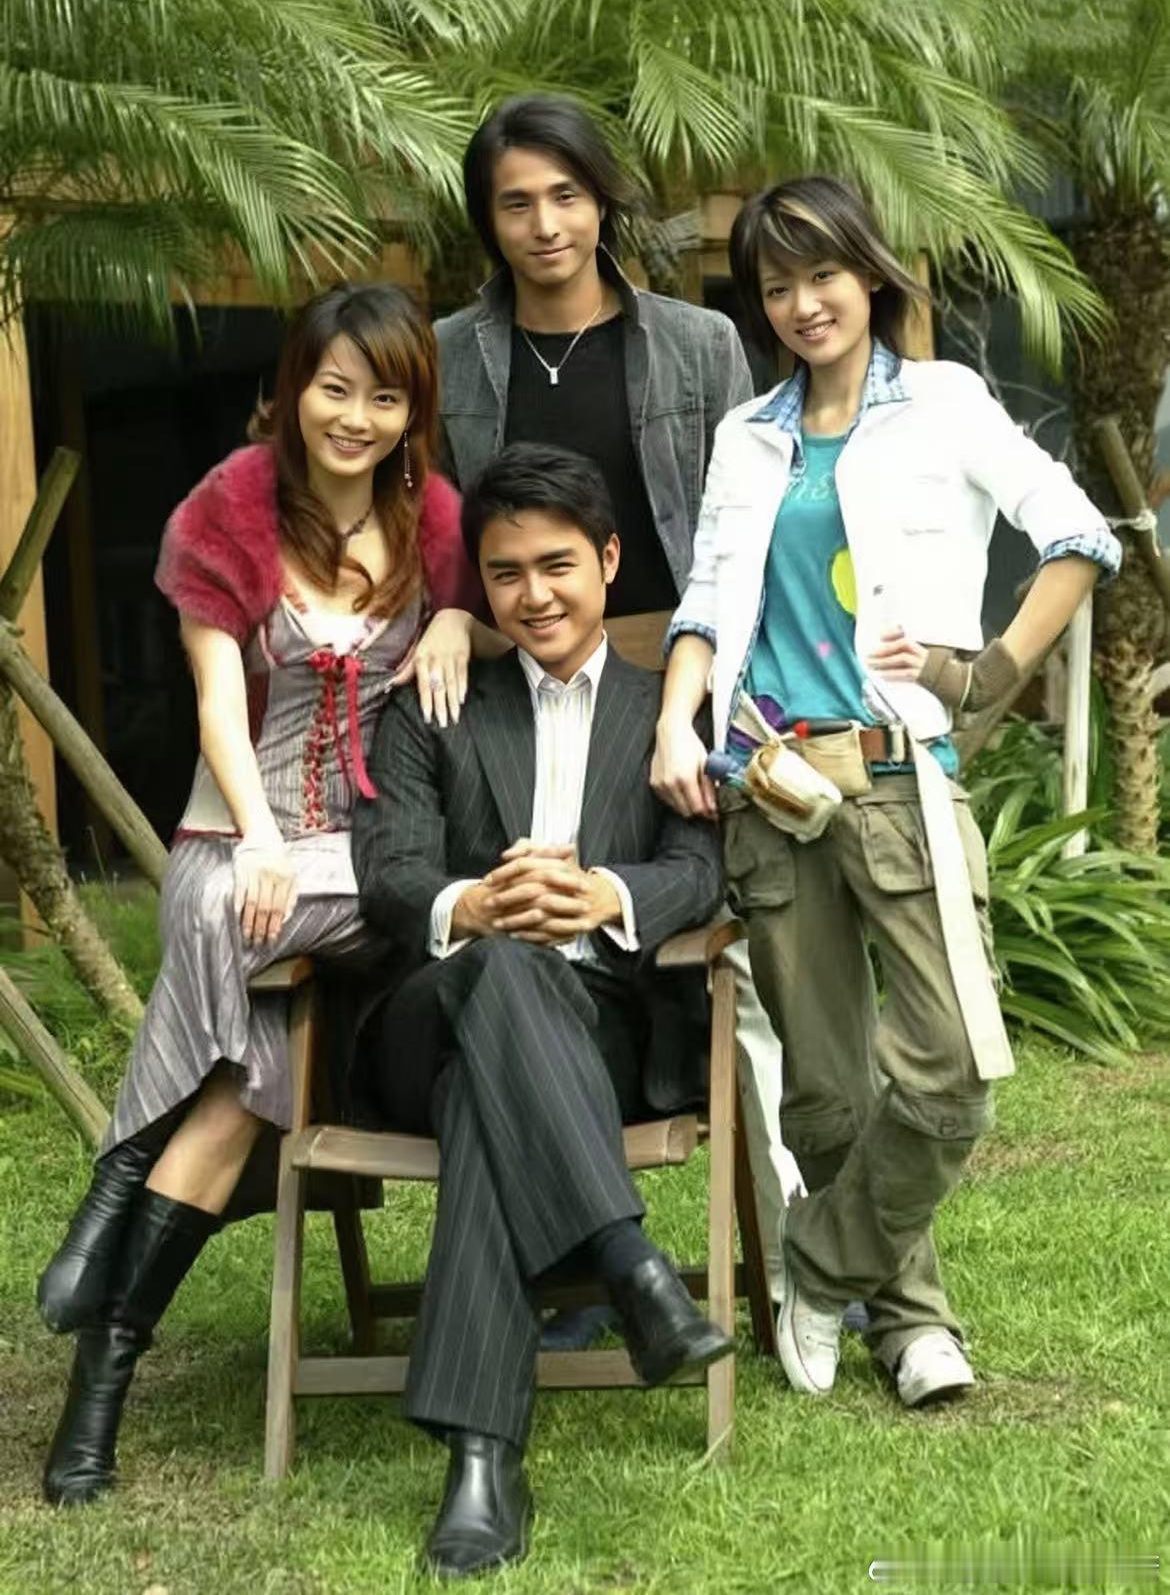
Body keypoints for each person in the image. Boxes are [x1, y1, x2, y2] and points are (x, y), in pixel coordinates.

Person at [652, 176, 1121, 1410]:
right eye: (777, 286)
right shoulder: (748, 434)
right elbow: (708, 598)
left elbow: (1080, 537)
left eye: (823, 274)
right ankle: (912, 1327)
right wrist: (673, 718)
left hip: (900, 770)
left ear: (869, 273)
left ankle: (816, 1265)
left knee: (953, 1066)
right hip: (768, 775)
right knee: (823, 1089)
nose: (804, 303)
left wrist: (988, 674)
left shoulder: (945, 402)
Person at [37, 282, 484, 1506]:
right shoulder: (226, 508)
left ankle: (110, 1212)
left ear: (412, 411)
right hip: (237, 829)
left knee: (293, 972)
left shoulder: (436, 519)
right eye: (333, 388)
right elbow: (216, 708)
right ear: (292, 388)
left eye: (383, 397)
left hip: (371, 857)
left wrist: (457, 624)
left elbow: (497, 615)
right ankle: (97, 1383)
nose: (355, 417)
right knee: (241, 1058)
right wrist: (261, 835)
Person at [435, 89, 801, 1317]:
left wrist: (699, 692)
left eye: (567, 196)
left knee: (719, 946)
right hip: (522, 665)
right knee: (539, 940)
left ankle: (801, 1255)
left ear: (604, 201)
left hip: (677, 671)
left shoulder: (698, 344)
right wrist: (452, 613)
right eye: (516, 204)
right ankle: (586, 1253)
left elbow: (742, 527)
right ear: (488, 221)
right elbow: (432, 520)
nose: (546, 226)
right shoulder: (449, 353)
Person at [351, 446, 732, 1579]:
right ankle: (627, 1260)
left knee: (495, 1085)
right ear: (480, 582)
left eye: (558, 564)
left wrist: (604, 894)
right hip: (431, 1014)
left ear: (609, 560)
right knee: (503, 968)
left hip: (594, 1036)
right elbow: (388, 869)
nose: (535, 595)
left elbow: (701, 866)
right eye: (505, 573)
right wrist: (476, 903)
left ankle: (483, 1462)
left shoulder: (665, 711)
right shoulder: (435, 703)